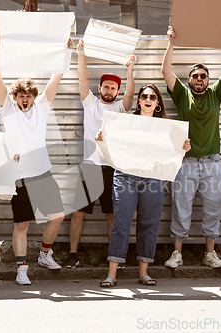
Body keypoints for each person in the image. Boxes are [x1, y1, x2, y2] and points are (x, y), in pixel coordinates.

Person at [0, 36, 72, 285]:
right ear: (15, 97)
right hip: (20, 176)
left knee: (57, 216)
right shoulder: (8, 109)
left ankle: (45, 254)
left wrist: (65, 51)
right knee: (21, 224)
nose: (25, 99)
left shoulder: (42, 107)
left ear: (34, 97)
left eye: (29, 95)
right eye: (21, 95)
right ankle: (21, 268)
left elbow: (57, 76)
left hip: (42, 173)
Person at [98, 84, 191, 287]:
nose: (148, 100)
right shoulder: (125, 122)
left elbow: (174, 153)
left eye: (153, 97)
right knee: (121, 224)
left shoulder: (166, 127)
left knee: (149, 224)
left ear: (158, 103)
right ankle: (112, 274)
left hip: (153, 178)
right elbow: (110, 144)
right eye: (144, 96)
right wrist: (102, 140)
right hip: (126, 176)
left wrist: (183, 148)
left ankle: (143, 273)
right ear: (139, 100)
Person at [161, 25, 221, 268]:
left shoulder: (216, 94)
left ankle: (210, 254)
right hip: (186, 163)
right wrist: (171, 42)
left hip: (212, 163)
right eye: (195, 76)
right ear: (189, 80)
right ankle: (177, 254)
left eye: (203, 76)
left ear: (208, 80)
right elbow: (165, 70)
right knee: (181, 208)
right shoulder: (183, 95)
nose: (199, 79)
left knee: (213, 208)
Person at [63, 39, 135, 269]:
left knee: (111, 216)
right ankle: (73, 254)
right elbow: (82, 78)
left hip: (112, 168)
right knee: (78, 213)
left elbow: (131, 97)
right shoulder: (90, 104)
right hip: (90, 167)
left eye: (114, 88)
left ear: (117, 91)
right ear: (100, 88)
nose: (109, 90)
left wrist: (130, 70)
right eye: (106, 86)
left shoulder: (119, 109)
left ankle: (115, 257)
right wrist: (80, 53)